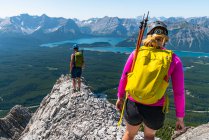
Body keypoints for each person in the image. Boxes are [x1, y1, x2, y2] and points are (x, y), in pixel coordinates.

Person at [116, 21, 185, 140]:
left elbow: (125, 76)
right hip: (155, 108)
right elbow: (178, 92)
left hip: (133, 104)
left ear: (148, 36)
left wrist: (120, 97)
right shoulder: (173, 59)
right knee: (149, 136)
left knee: (129, 134)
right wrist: (180, 117)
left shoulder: (136, 53)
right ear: (165, 39)